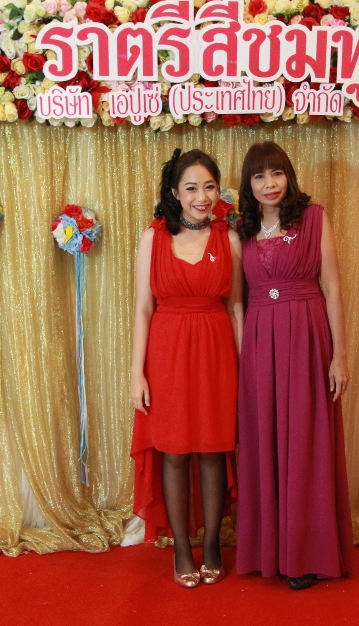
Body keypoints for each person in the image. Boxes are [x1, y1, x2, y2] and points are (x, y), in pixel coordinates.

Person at [235, 141, 353, 590]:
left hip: (307, 334)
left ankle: (306, 554)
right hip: (260, 340)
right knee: (265, 440)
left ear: (289, 176)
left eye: (277, 173)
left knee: (307, 439)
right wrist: (244, 355)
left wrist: (340, 355)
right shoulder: (242, 229)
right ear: (248, 184)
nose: (270, 184)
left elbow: (333, 287)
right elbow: (237, 301)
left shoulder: (314, 218)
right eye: (259, 176)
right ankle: (270, 549)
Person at [130, 148, 244, 588]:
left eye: (209, 187)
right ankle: (181, 547)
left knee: (214, 451)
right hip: (167, 353)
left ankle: (212, 544)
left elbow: (236, 309)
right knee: (174, 452)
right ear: (175, 192)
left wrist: (245, 368)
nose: (202, 197)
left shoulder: (229, 240)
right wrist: (136, 373)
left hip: (216, 353)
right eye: (192, 188)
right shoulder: (152, 238)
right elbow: (143, 309)